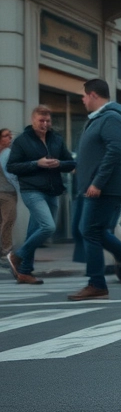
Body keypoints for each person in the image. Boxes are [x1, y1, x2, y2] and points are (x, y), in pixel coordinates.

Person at [70, 78, 121, 300]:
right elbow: (98, 153)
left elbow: (114, 150)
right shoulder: (101, 118)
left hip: (104, 188)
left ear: (93, 95)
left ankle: (99, 283)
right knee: (95, 231)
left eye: (84, 95)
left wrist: (97, 182)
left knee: (89, 230)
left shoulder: (111, 118)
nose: (83, 99)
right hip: (99, 186)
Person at [5, 106, 76, 285]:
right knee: (48, 227)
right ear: (33, 120)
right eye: (41, 121)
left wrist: (59, 163)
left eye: (47, 121)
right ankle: (16, 256)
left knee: (34, 231)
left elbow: (70, 163)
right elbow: (12, 167)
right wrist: (37, 164)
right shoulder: (22, 141)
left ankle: (25, 272)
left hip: (53, 191)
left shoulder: (56, 139)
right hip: (32, 190)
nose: (44, 124)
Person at [0, 128, 19, 263]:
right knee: (6, 221)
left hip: (8, 192)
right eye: (6, 136)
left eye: (10, 136)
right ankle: (6, 250)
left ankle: (6, 250)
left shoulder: (9, 153)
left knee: (8, 221)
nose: (10, 138)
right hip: (5, 192)